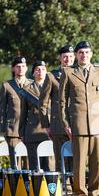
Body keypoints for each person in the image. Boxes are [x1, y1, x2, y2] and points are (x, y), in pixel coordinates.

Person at [59, 41, 99, 196]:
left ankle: (93, 195)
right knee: (79, 163)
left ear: (91, 54)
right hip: (78, 124)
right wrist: (66, 123)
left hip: (97, 124)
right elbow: (62, 102)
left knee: (96, 162)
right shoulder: (68, 73)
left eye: (87, 52)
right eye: (81, 52)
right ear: (76, 55)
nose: (84, 55)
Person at [39, 45, 74, 173]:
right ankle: (64, 189)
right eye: (65, 57)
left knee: (78, 160)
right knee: (61, 160)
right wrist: (46, 124)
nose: (68, 59)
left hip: (77, 124)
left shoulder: (79, 73)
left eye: (70, 57)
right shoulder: (52, 76)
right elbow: (43, 103)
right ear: (60, 58)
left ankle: (78, 189)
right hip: (58, 125)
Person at [0, 56, 32, 169]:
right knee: (15, 165)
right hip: (13, 129)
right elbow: (2, 109)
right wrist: (3, 128)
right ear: (13, 69)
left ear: (26, 68)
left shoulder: (32, 85)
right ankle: (14, 186)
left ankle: (30, 186)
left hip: (29, 129)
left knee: (29, 163)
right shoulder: (7, 86)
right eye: (18, 66)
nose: (21, 69)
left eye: (23, 66)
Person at [20, 60, 52, 171]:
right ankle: (35, 187)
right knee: (34, 166)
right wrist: (22, 132)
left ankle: (50, 188)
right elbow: (23, 113)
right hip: (33, 131)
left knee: (49, 166)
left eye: (43, 69)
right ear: (33, 73)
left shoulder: (53, 87)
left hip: (49, 129)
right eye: (38, 69)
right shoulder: (27, 90)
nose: (40, 72)